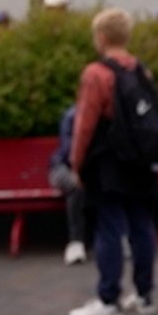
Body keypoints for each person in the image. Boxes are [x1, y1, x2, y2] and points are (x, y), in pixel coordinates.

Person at [67, 8, 158, 315]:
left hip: (109, 160)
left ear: (102, 38)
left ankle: (109, 300)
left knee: (109, 226)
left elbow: (85, 125)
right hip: (140, 159)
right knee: (141, 224)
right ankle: (145, 294)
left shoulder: (96, 74)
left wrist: (77, 163)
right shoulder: (141, 71)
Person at [51, 102, 97, 266]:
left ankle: (118, 237)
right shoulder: (72, 116)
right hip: (63, 168)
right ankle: (76, 242)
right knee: (75, 186)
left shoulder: (109, 116)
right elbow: (71, 150)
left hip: (92, 170)